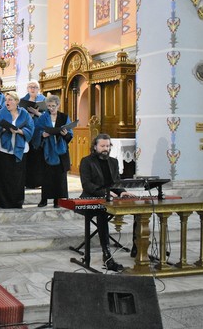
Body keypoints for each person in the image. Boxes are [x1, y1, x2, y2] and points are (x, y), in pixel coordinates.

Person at [79, 133, 134, 272]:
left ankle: (137, 248)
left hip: (110, 198)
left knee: (138, 208)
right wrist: (105, 193)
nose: (105, 148)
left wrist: (122, 192)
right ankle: (107, 255)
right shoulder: (86, 161)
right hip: (90, 199)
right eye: (102, 146)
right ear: (95, 146)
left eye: (108, 146)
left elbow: (115, 183)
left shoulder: (114, 162)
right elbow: (87, 185)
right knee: (102, 213)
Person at [0, 91, 34, 209]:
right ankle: (3, 202)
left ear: (16, 101)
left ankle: (17, 202)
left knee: (18, 177)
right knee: (4, 176)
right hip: (4, 149)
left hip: (20, 148)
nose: (7, 102)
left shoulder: (24, 113)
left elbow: (31, 128)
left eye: (10, 100)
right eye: (6, 100)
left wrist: (20, 131)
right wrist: (4, 129)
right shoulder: (1, 112)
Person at [33, 95, 73, 207]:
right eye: (49, 106)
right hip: (47, 150)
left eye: (53, 106)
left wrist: (66, 134)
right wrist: (42, 134)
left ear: (58, 105)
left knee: (59, 177)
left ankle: (57, 200)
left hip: (61, 151)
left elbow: (70, 134)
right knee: (46, 176)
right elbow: (36, 131)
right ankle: (44, 200)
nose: (51, 108)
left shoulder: (64, 117)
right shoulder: (43, 117)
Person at [22, 81, 46, 189]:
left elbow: (48, 117)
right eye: (31, 87)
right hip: (26, 131)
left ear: (38, 89)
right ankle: (26, 181)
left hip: (39, 132)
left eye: (35, 87)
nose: (33, 89)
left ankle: (38, 181)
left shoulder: (44, 100)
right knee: (27, 157)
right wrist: (28, 115)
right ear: (27, 88)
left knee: (37, 157)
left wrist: (37, 114)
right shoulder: (22, 100)